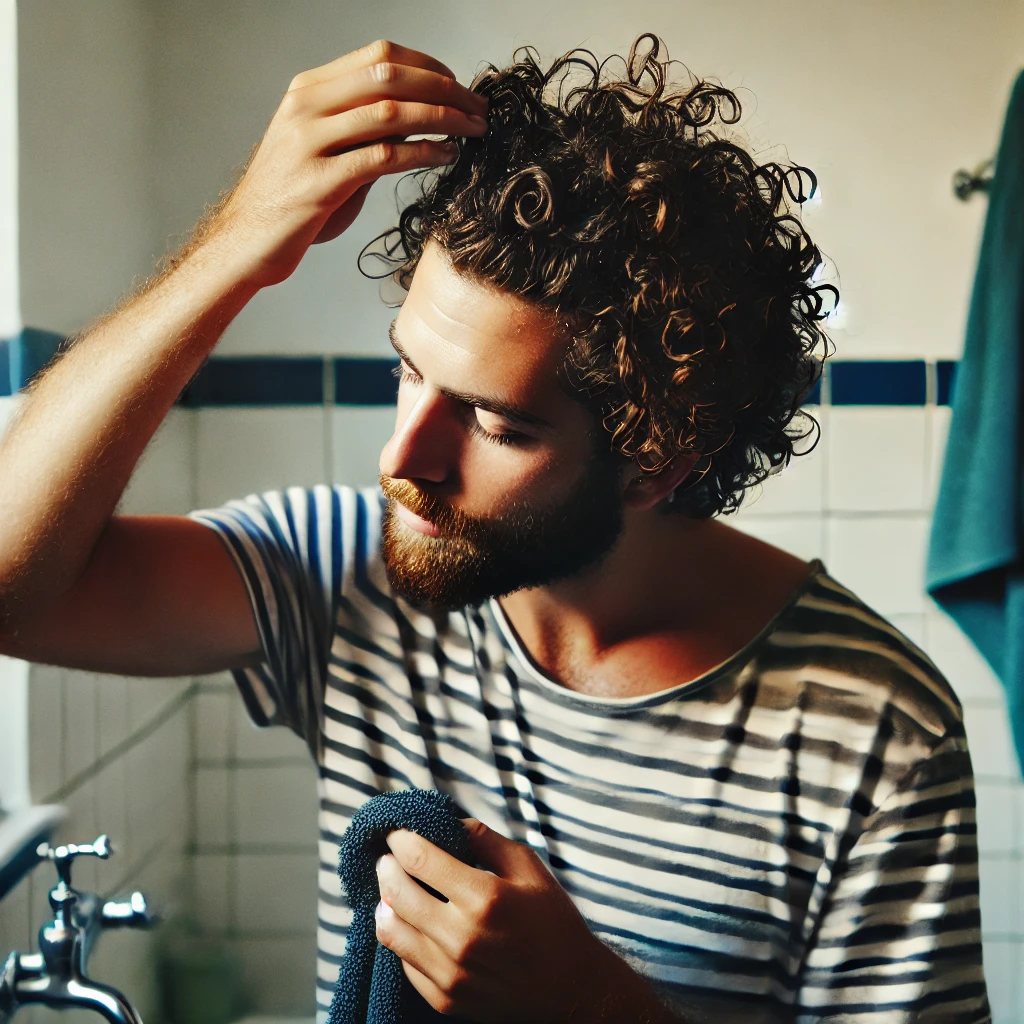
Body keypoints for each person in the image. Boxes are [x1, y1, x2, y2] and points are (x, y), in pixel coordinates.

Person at [0, 32, 990, 1024]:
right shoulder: (345, 579)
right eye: (408, 371)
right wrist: (237, 245)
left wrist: (595, 1007)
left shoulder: (873, 730)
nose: (402, 459)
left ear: (657, 463)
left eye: (495, 422)